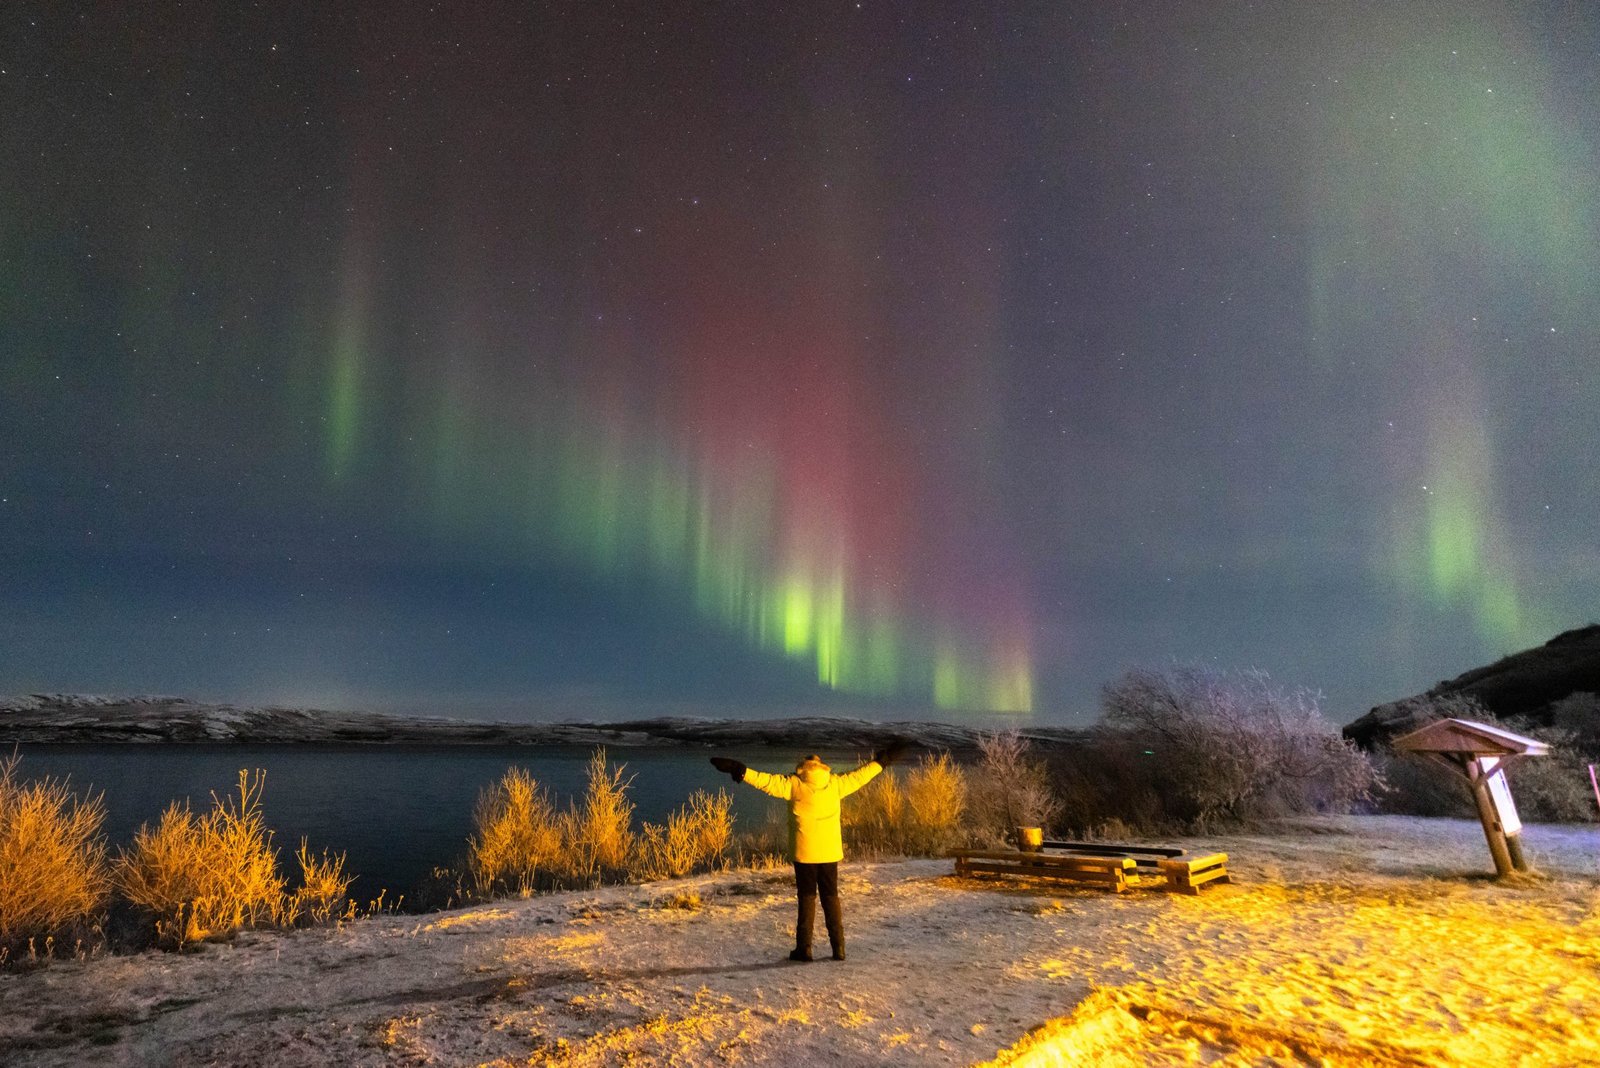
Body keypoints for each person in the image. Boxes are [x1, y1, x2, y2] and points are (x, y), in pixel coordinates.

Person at [711, 742, 906, 962]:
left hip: (805, 853)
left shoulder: (794, 784)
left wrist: (741, 770)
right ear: (822, 767)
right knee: (831, 897)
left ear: (803, 768)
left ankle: (804, 949)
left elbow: (765, 781)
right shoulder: (836, 784)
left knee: (807, 898)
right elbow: (862, 775)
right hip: (829, 852)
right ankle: (838, 948)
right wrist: (883, 760)